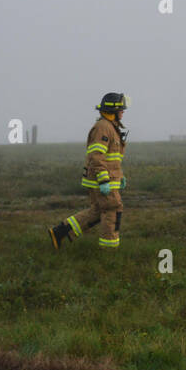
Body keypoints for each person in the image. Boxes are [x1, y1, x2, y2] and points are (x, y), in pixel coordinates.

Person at [48, 93, 130, 251]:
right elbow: (97, 156)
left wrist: (119, 176)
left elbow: (111, 158)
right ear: (112, 110)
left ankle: (60, 232)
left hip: (106, 177)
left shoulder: (110, 126)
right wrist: (104, 180)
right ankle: (109, 250)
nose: (123, 112)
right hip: (102, 179)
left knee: (98, 211)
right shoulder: (103, 127)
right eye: (121, 109)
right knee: (112, 209)